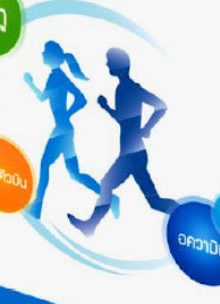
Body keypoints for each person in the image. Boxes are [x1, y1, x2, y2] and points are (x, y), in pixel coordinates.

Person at [69, 47, 175, 237]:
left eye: (109, 61)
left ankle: (90, 225)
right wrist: (107, 107)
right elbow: (123, 119)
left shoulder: (131, 89)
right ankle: (184, 211)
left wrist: (147, 128)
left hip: (132, 154)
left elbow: (160, 106)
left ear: (118, 65)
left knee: (107, 184)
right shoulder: (123, 89)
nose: (107, 64)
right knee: (153, 201)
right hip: (133, 152)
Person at [24, 41, 99, 221]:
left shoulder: (56, 78)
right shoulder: (58, 76)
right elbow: (80, 99)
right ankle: (109, 197)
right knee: (74, 174)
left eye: (45, 52)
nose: (42, 54)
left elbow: (43, 98)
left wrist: (30, 83)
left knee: (45, 165)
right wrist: (67, 115)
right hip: (64, 129)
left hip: (62, 130)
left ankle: (36, 208)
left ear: (51, 57)